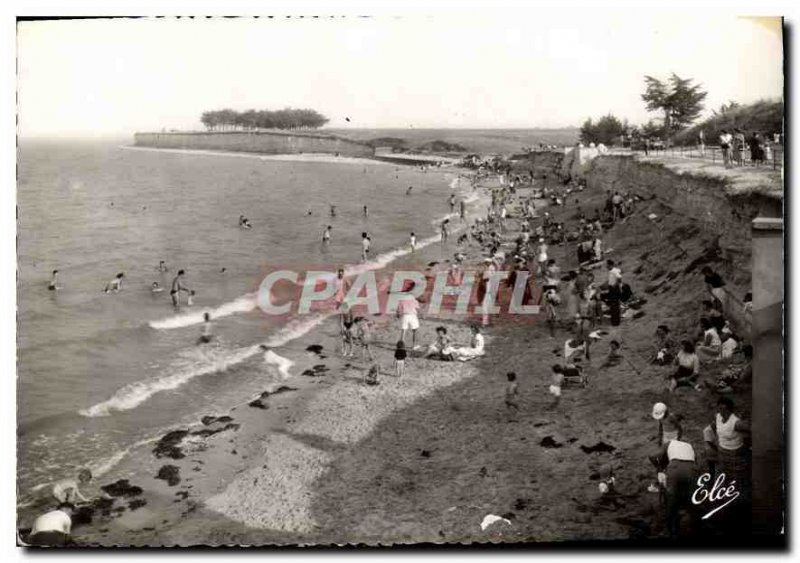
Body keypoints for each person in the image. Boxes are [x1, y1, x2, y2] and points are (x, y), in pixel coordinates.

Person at [650, 430, 699, 537]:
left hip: (675, 468)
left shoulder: (669, 443)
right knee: (692, 501)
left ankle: (669, 529)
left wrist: (660, 468)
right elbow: (696, 461)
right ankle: (695, 528)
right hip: (692, 469)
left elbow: (652, 456)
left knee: (671, 500)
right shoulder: (689, 445)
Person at [707, 397, 750, 493]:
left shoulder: (737, 423)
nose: (721, 411)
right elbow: (714, 426)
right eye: (719, 408)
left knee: (736, 478)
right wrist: (718, 441)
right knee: (724, 475)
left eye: (724, 409)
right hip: (722, 452)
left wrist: (746, 447)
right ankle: (721, 494)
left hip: (735, 454)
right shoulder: (717, 416)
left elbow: (750, 432)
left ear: (729, 409)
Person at [397, 283, 421, 349]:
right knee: (415, 331)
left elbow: (399, 309)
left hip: (405, 315)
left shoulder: (402, 299)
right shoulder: (414, 299)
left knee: (403, 331)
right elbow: (417, 308)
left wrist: (398, 315)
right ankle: (414, 345)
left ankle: (401, 346)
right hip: (413, 315)